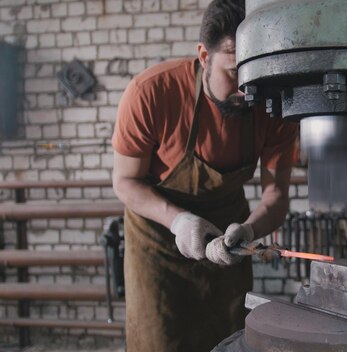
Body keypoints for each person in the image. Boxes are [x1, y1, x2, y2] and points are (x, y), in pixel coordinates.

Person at [111, 1, 298, 350]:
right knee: (160, 340)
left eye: (251, 78)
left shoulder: (271, 107)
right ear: (203, 56)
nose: (245, 92)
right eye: (232, 74)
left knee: (230, 340)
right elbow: (125, 181)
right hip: (158, 244)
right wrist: (179, 221)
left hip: (229, 241)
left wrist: (251, 229)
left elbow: (276, 197)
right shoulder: (151, 93)